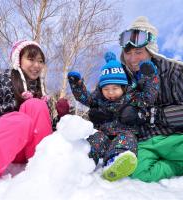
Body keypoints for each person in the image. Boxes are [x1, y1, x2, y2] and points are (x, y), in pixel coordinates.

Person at [0, 40, 58, 192]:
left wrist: (61, 117)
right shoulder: (3, 82)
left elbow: (47, 128)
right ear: (18, 60)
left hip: (31, 151)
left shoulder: (41, 92)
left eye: (40, 61)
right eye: (31, 59)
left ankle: (44, 168)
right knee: (20, 120)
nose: (37, 65)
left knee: (36, 105)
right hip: (5, 145)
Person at [117, 16, 183, 182]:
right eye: (128, 53)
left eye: (139, 52)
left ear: (150, 51)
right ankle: (173, 166)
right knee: (137, 173)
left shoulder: (174, 72)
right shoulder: (122, 80)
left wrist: (150, 115)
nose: (132, 59)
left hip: (175, 138)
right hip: (145, 142)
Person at [68, 52, 143, 182]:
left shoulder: (132, 98)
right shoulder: (99, 99)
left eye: (115, 88)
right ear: (101, 89)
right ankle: (83, 160)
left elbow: (146, 100)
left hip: (124, 133)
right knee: (95, 139)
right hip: (105, 136)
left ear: (124, 87)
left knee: (127, 139)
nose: (111, 92)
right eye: (106, 89)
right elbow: (85, 98)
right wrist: (77, 85)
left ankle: (116, 161)